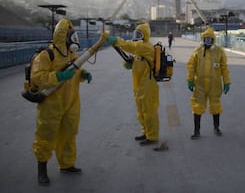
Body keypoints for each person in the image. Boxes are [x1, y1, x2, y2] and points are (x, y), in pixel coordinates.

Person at [31, 19, 93, 185]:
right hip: (51, 105)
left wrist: (83, 74)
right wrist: (57, 76)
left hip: (71, 102)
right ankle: (42, 169)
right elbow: (37, 78)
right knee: (46, 136)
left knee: (69, 134)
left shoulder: (72, 55)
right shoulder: (46, 55)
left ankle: (66, 164)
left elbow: (75, 71)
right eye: (69, 35)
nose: (73, 38)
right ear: (61, 36)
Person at [106, 22, 160, 146]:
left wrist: (116, 40)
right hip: (139, 85)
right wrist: (129, 64)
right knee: (141, 111)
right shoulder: (139, 51)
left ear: (145, 35)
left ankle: (152, 136)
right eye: (136, 33)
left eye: (139, 34)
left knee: (149, 111)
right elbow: (134, 63)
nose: (137, 36)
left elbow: (129, 46)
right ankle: (146, 132)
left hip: (148, 85)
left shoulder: (145, 47)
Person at [186, 27, 231, 139]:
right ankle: (196, 131)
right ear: (202, 39)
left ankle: (216, 128)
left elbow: (224, 68)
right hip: (200, 85)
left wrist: (227, 82)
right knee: (197, 107)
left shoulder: (219, 51)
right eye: (206, 39)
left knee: (215, 106)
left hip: (214, 85)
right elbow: (191, 66)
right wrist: (190, 80)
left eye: (210, 39)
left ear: (213, 40)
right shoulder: (197, 52)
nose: (207, 41)